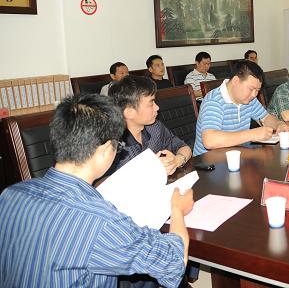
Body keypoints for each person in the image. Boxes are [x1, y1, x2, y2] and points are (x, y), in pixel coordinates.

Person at [0, 94, 193, 287]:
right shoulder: (101, 221)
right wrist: (177, 209)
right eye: (118, 146)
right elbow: (174, 262)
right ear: (106, 149)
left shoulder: (10, 195)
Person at [193, 60, 289, 155]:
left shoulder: (249, 99)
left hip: (239, 154)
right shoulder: (214, 101)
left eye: (257, 90)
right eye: (251, 89)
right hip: (209, 161)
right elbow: (210, 141)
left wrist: (279, 124)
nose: (254, 94)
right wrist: (252, 134)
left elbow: (265, 118)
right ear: (236, 81)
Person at [108, 76, 192, 175]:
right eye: (151, 103)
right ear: (129, 112)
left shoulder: (155, 127)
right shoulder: (112, 146)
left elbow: (184, 147)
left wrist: (176, 161)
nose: (157, 107)